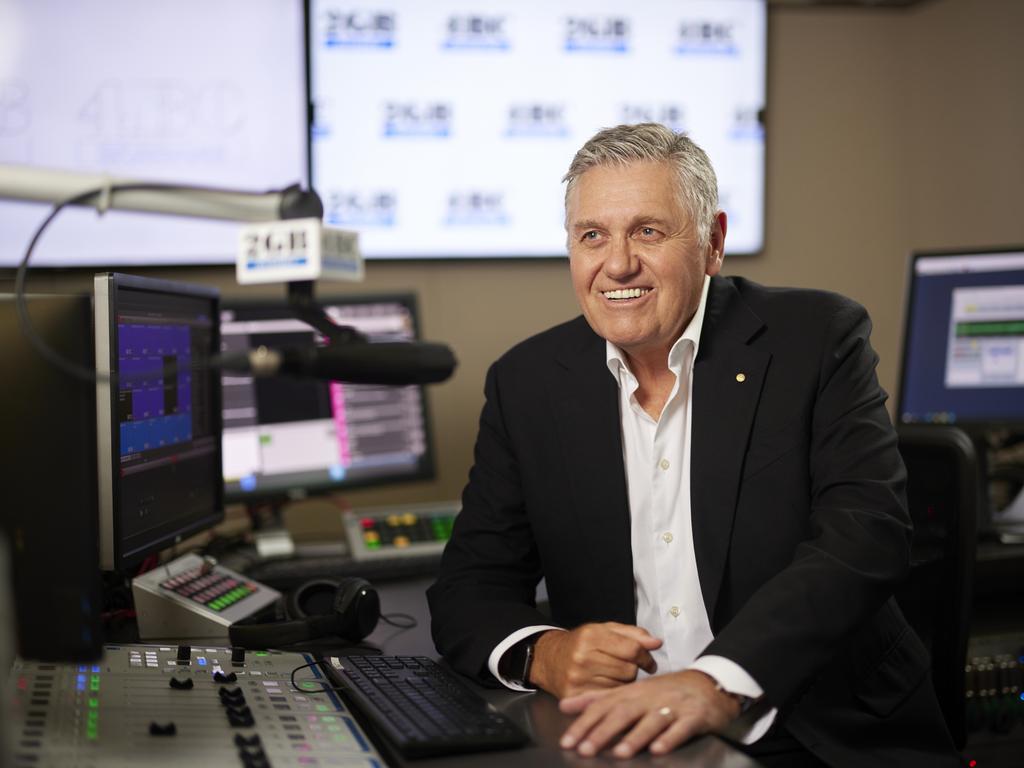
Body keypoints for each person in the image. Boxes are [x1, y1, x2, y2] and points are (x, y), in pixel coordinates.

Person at [427, 123, 958, 767]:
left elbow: (864, 537)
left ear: (713, 242)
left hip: (813, 729)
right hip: (621, 737)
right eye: (592, 235)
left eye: (648, 231)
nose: (617, 264)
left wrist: (717, 682)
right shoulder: (528, 381)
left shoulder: (817, 338)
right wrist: (546, 653)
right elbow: (469, 584)